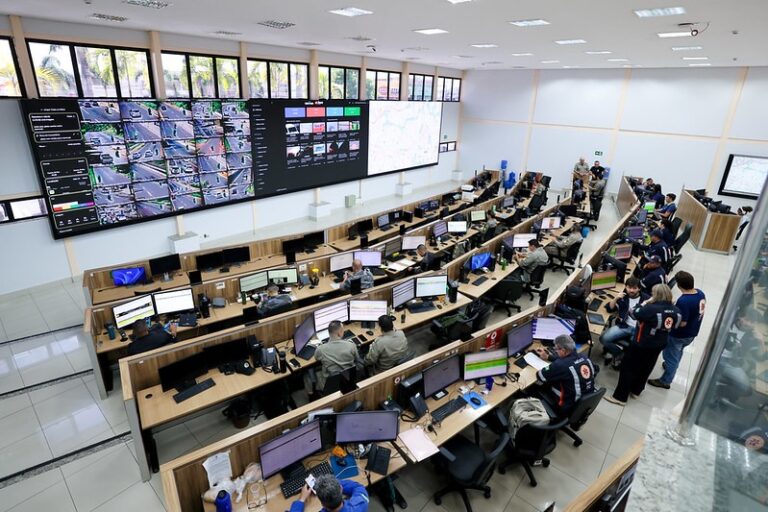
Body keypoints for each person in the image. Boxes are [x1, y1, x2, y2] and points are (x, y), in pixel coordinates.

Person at [605, 284, 681, 405]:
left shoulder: (651, 308)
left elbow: (633, 313)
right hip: (660, 343)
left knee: (628, 368)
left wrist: (644, 303)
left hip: (642, 343)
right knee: (646, 367)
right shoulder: (676, 310)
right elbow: (677, 325)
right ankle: (636, 391)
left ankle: (620, 397)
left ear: (656, 295)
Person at [649, 271, 706, 389]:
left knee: (671, 357)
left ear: (679, 285)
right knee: (678, 352)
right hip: (692, 332)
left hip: (679, 335)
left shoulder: (684, 301)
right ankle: (670, 365)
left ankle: (665, 381)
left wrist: (668, 321)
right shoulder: (700, 293)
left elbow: (682, 323)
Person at [534, 334, 597, 416]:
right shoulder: (585, 357)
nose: (555, 351)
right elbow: (569, 361)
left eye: (556, 349)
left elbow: (540, 376)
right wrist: (548, 357)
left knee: (534, 387)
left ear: (563, 350)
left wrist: (552, 366)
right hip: (585, 401)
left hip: (568, 407)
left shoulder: (560, 365)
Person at [599, 277, 649, 366]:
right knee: (603, 338)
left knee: (635, 349)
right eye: (629, 287)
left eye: (634, 288)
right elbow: (610, 308)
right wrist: (616, 298)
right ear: (625, 287)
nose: (631, 290)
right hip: (624, 326)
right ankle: (619, 353)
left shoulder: (646, 299)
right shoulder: (623, 297)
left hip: (639, 329)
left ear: (639, 288)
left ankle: (625, 358)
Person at [308, 321, 361, 394]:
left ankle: (311, 394)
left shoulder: (320, 349)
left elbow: (317, 358)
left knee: (308, 374)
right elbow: (357, 359)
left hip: (331, 383)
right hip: (349, 380)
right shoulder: (351, 345)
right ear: (339, 333)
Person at [291, 474, 369, 512]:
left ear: (322, 504)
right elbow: (358, 487)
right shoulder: (360, 504)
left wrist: (301, 499)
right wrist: (332, 484)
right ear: (341, 489)